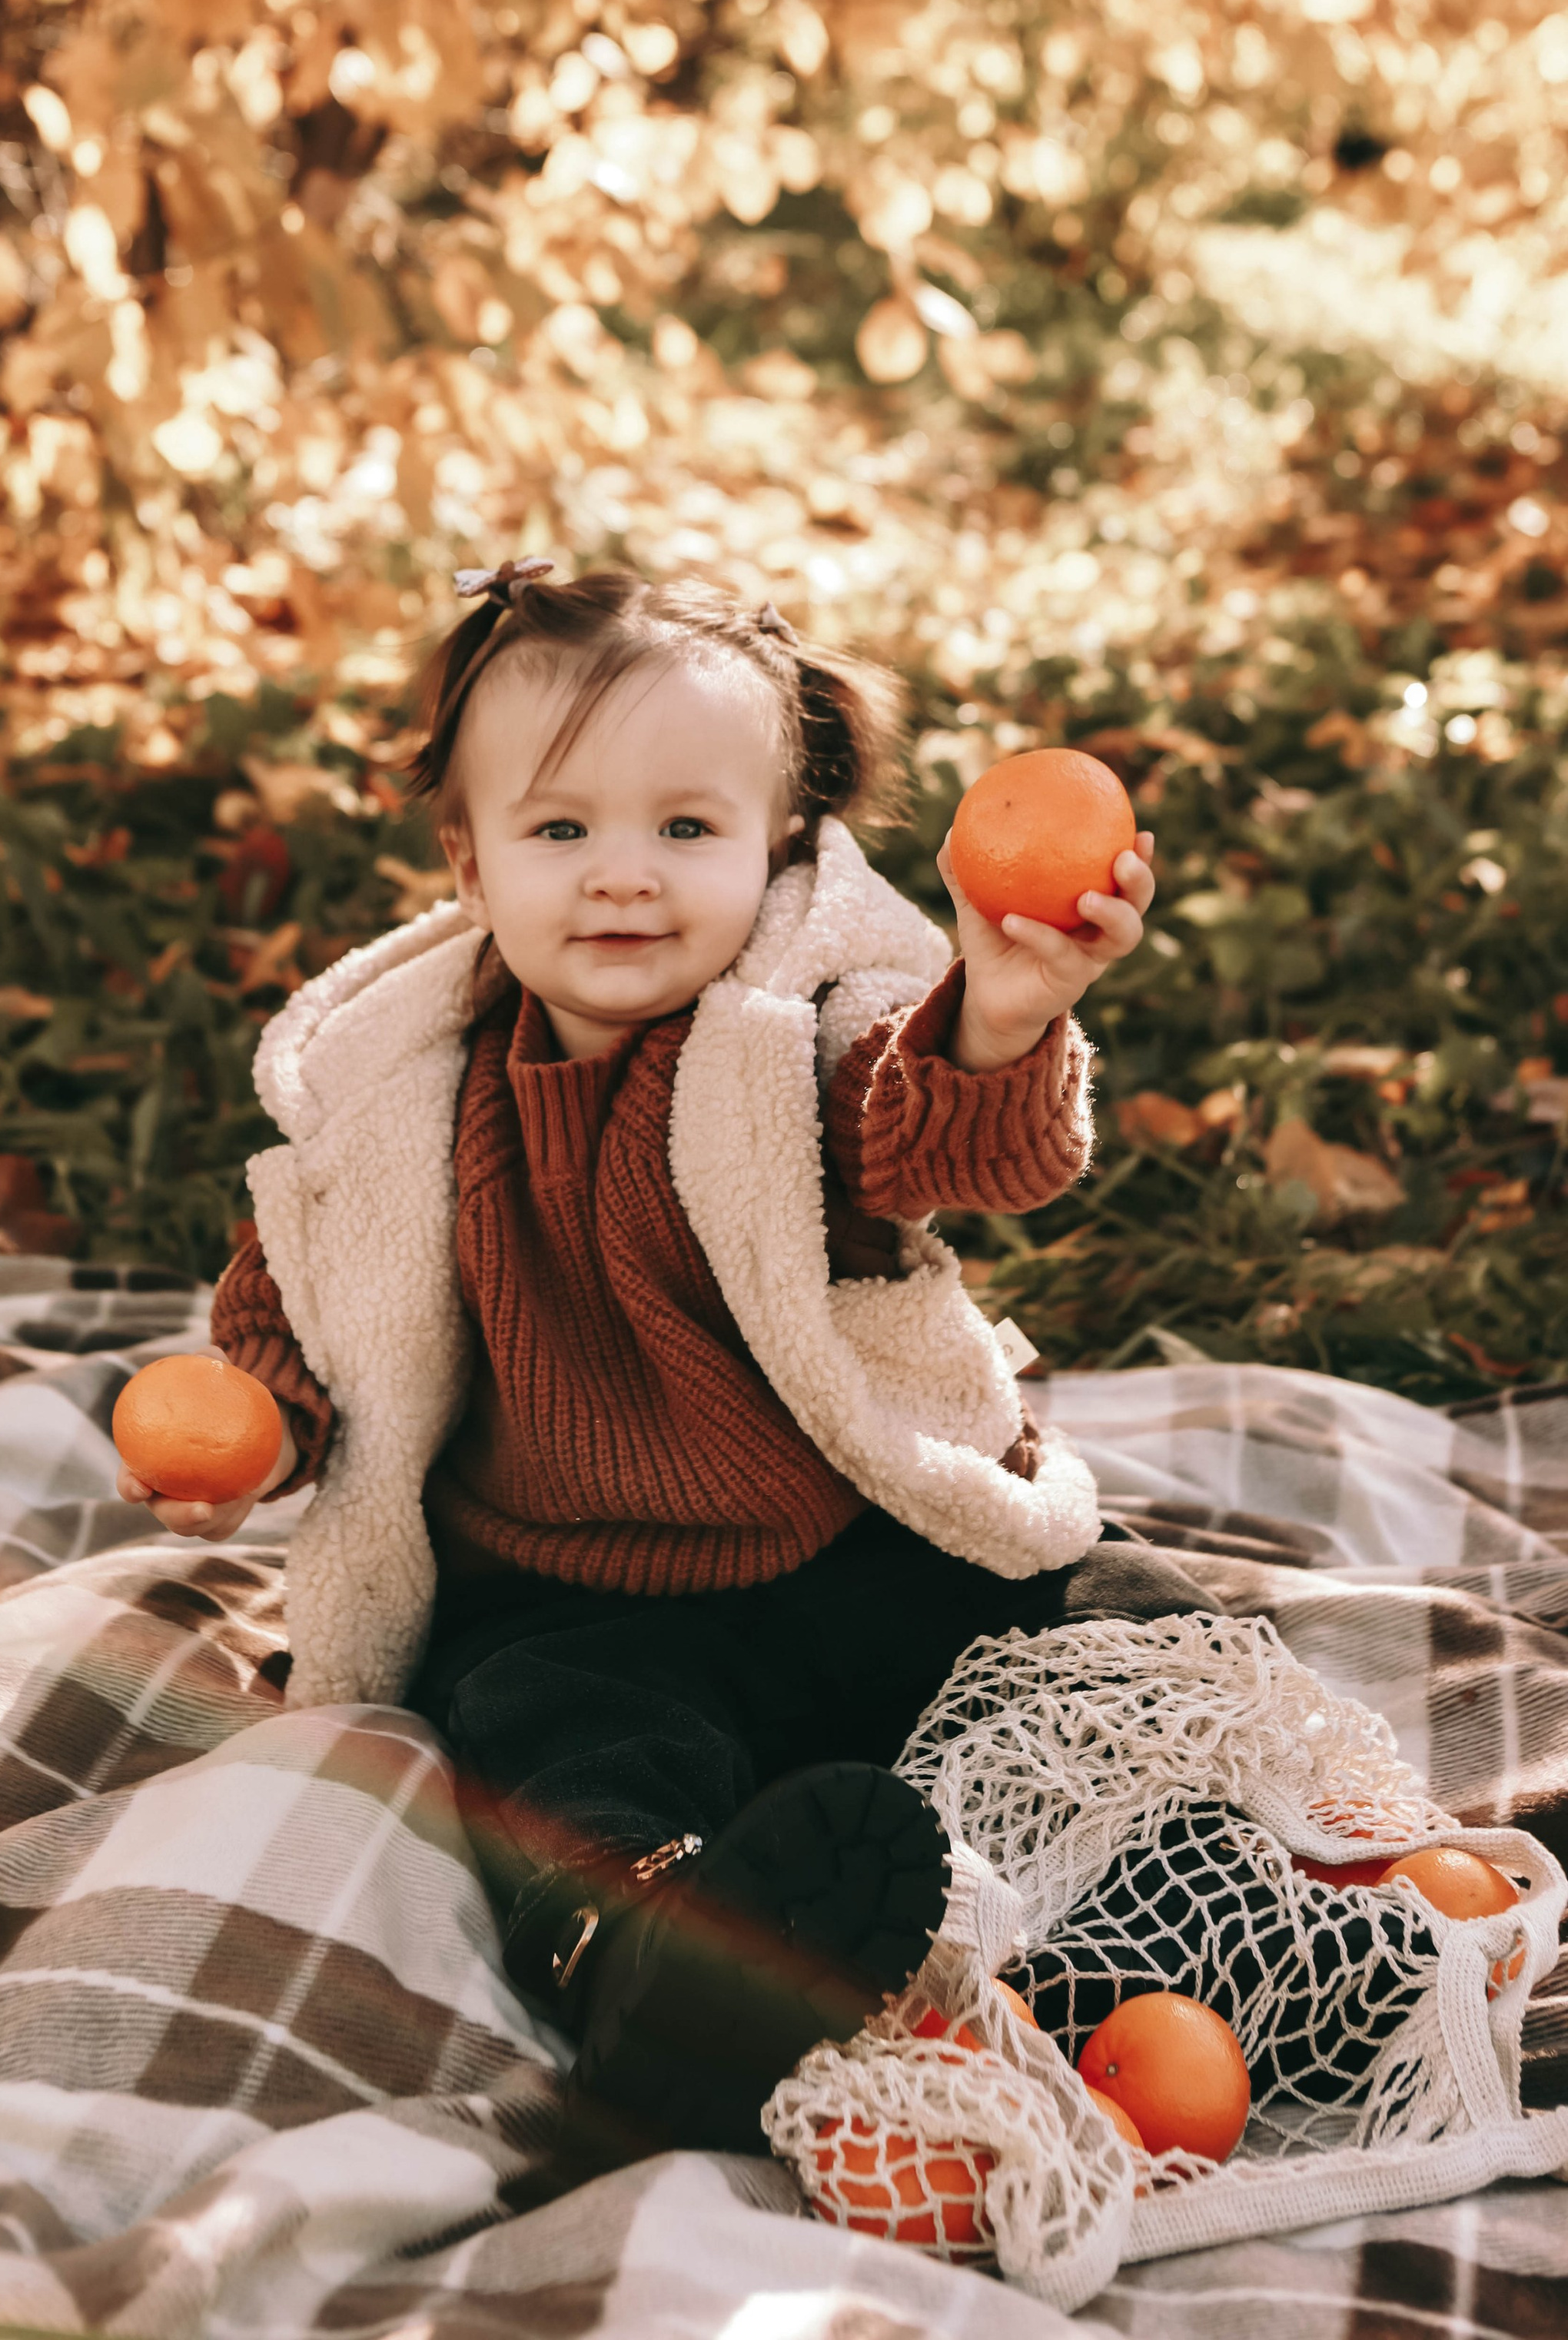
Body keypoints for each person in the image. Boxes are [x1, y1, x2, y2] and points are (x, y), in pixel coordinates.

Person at [121, 563, 1174, 2163]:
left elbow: (934, 1133)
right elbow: (302, 1323)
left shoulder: (791, 1050)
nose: (624, 878)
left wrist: (1005, 1015)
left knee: (1107, 1639)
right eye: (561, 831)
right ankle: (654, 1959)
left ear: (777, 853)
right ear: (466, 860)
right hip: (575, 1595)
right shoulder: (397, 1111)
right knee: (543, 1750)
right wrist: (252, 1437)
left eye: (686, 830)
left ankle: (1246, 1906)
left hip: (840, 1544)